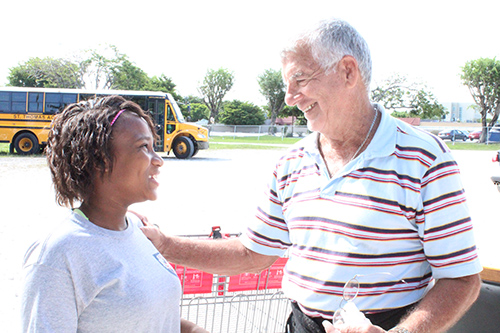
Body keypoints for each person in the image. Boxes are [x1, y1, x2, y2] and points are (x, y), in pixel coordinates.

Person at [142, 18, 482, 333]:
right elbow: (252, 254)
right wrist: (164, 245)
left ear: (348, 71)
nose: (290, 98)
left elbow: (462, 280)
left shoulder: (424, 159)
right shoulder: (291, 163)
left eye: (300, 80)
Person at [21, 96, 207, 332]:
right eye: (144, 147)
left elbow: (142, 319)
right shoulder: (58, 255)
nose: (158, 160)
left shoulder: (140, 229)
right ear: (99, 161)